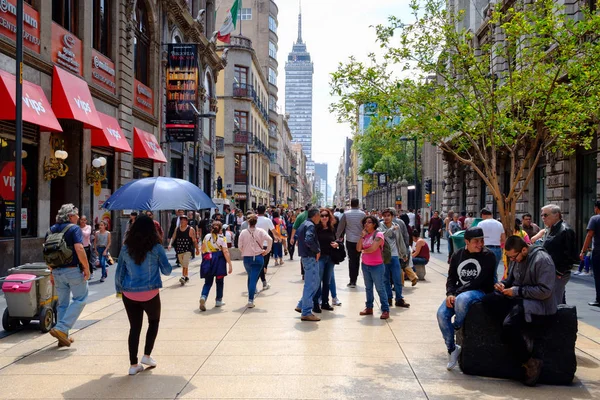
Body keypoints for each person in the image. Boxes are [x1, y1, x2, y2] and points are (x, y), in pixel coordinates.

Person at [483, 235, 557, 386]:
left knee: (509, 327)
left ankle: (530, 362)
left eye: (514, 256)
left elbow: (545, 291)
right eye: (509, 257)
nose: (512, 260)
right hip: (519, 298)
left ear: (524, 249)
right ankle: (516, 334)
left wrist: (516, 291)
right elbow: (510, 280)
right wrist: (502, 285)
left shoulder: (542, 260)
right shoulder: (516, 259)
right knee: (488, 300)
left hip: (538, 305)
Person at [115, 215, 172, 376]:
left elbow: (120, 272)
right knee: (153, 322)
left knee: (134, 328)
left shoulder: (126, 247)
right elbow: (167, 270)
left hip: (129, 294)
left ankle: (133, 365)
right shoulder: (156, 248)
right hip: (150, 293)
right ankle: (147, 355)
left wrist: (119, 290)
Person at [436, 227, 496, 370]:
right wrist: (450, 294)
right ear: (466, 242)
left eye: (482, 241)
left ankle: (457, 326)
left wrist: (456, 294)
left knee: (462, 299)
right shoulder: (458, 255)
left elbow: (480, 281)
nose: (480, 244)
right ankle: (452, 348)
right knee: (442, 314)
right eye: (476, 241)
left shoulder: (489, 256)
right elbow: (451, 278)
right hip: (458, 293)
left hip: (480, 292)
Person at [47, 204, 90, 348]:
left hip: (57, 271)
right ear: (70, 215)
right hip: (72, 271)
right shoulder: (74, 229)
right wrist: (86, 267)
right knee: (80, 299)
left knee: (63, 303)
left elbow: (48, 253)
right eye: (76, 214)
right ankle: (62, 328)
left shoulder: (51, 229)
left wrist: (51, 272)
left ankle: (62, 336)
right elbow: (79, 248)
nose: (78, 217)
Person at [540, 204, 578, 305]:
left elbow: (570, 254)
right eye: (542, 215)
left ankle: (558, 319)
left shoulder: (565, 230)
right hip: (550, 270)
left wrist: (560, 272)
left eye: (546, 215)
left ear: (556, 215)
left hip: (557, 272)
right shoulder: (551, 229)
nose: (543, 217)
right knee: (557, 299)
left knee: (555, 300)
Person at [357, 215, 391, 319]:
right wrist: (362, 237)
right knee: (368, 288)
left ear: (374, 224)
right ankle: (369, 307)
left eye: (369, 222)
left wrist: (364, 250)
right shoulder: (365, 236)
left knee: (380, 288)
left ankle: (385, 309)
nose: (366, 224)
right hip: (365, 265)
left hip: (377, 266)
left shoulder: (379, 234)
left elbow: (373, 248)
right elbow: (358, 248)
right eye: (365, 223)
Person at [238, 214, 273, 308]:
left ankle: (250, 298)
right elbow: (270, 239)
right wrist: (267, 251)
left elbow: (239, 246)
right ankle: (250, 300)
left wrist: (244, 251)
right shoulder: (260, 231)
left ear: (248, 222)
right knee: (253, 278)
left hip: (247, 258)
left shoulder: (243, 232)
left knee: (251, 277)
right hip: (258, 257)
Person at [294, 208, 322, 321]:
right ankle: (306, 312)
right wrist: (317, 250)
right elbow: (308, 239)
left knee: (312, 283)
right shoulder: (310, 225)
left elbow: (297, 237)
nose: (320, 218)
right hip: (310, 257)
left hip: (305, 257)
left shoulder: (303, 224)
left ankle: (301, 305)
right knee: (312, 284)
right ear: (315, 215)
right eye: (319, 216)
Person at [379, 208, 411, 308]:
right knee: (385, 279)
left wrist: (404, 253)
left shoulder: (396, 226)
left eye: (388, 215)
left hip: (395, 256)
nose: (386, 218)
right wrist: (392, 229)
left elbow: (400, 240)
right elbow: (382, 236)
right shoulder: (380, 226)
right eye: (384, 216)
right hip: (384, 257)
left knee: (397, 278)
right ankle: (389, 298)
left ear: (392, 217)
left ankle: (399, 299)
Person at [199, 221, 233, 311]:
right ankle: (218, 300)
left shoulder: (206, 236)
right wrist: (229, 263)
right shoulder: (222, 238)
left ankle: (203, 296)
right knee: (219, 281)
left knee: (208, 282)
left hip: (209, 260)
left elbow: (202, 249)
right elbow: (225, 251)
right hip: (219, 261)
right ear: (220, 229)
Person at [336, 198, 366, 288]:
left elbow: (341, 227)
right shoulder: (363, 214)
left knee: (351, 260)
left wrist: (337, 237)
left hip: (350, 240)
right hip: (360, 240)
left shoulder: (346, 214)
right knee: (357, 260)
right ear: (358, 204)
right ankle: (355, 279)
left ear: (350, 204)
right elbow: (366, 226)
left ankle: (352, 281)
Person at [313, 208, 339, 313]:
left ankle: (325, 302)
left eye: (326, 215)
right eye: (322, 215)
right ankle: (316, 303)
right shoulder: (316, 228)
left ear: (329, 217)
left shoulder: (331, 228)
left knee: (327, 281)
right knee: (317, 281)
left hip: (330, 257)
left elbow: (335, 239)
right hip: (320, 257)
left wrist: (337, 244)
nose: (324, 217)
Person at [579, 200, 600, 307]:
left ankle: (599, 299)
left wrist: (583, 251)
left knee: (598, 276)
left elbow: (589, 235)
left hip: (598, 252)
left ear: (596, 208)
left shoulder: (595, 218)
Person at [168, 215, 199, 285]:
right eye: (181, 219)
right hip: (179, 249)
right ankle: (186, 276)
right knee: (183, 264)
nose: (182, 221)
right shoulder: (177, 229)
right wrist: (170, 244)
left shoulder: (190, 229)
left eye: (184, 220)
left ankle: (183, 277)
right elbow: (173, 237)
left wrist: (197, 249)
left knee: (185, 263)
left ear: (187, 221)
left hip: (187, 249)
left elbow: (194, 240)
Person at [477, 208, 506, 280]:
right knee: (494, 271)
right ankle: (494, 287)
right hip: (497, 249)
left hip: (485, 249)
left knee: (484, 270)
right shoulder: (499, 224)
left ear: (483, 215)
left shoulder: (481, 224)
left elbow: (477, 238)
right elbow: (503, 239)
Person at [256, 205, 280, 290]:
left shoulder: (253, 220)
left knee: (259, 265)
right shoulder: (267, 220)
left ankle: (263, 282)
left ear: (257, 211)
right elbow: (274, 231)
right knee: (262, 265)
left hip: (255, 245)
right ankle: (263, 283)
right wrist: (279, 237)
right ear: (265, 211)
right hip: (265, 244)